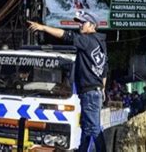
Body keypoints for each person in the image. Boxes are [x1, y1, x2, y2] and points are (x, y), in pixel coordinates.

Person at [28, 11, 107, 152]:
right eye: (80, 23)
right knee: (87, 128)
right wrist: (102, 89)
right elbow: (105, 69)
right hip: (94, 91)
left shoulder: (87, 40)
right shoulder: (100, 44)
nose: (80, 26)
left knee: (93, 129)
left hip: (90, 92)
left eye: (83, 23)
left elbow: (65, 35)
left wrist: (43, 28)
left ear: (92, 25)